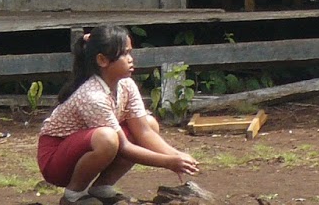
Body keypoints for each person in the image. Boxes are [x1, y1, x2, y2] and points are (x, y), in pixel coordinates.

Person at [36, 24, 200, 204]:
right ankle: (74, 195)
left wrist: (176, 156)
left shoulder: (126, 85)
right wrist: (168, 162)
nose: (130, 59)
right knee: (107, 138)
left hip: (83, 147)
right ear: (102, 60)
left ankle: (101, 188)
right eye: (124, 54)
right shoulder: (93, 96)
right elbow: (123, 147)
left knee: (150, 123)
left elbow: (144, 132)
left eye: (130, 52)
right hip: (56, 161)